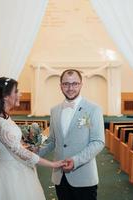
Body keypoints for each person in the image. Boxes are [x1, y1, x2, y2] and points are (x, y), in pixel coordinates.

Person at [0, 77, 65, 200]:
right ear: (5, 96)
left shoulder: (4, 118)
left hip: (11, 167)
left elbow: (12, 144)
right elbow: (19, 151)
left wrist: (27, 145)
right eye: (16, 91)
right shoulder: (0, 123)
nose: (20, 94)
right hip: (10, 175)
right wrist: (52, 164)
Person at [38, 69, 105, 200]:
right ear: (60, 86)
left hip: (84, 176)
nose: (70, 88)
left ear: (81, 84)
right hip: (59, 176)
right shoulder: (55, 110)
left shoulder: (93, 109)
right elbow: (52, 140)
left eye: (75, 83)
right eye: (66, 84)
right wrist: (35, 152)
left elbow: (98, 142)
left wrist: (75, 161)